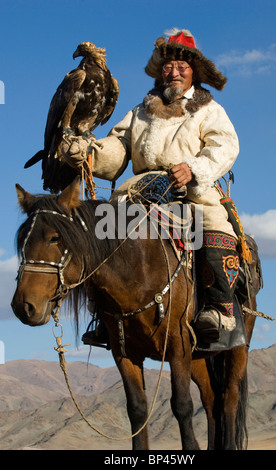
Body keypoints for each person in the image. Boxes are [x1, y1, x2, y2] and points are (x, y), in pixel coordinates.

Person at [62, 28, 240, 343]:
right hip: (139, 188)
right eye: (168, 67)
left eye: (182, 67)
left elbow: (224, 147)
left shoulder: (209, 109)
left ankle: (219, 310)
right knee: (104, 226)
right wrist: (88, 152)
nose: (174, 73)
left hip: (190, 188)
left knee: (212, 224)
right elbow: (118, 149)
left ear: (193, 73)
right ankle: (104, 315)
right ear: (160, 71)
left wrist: (194, 168)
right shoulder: (141, 112)